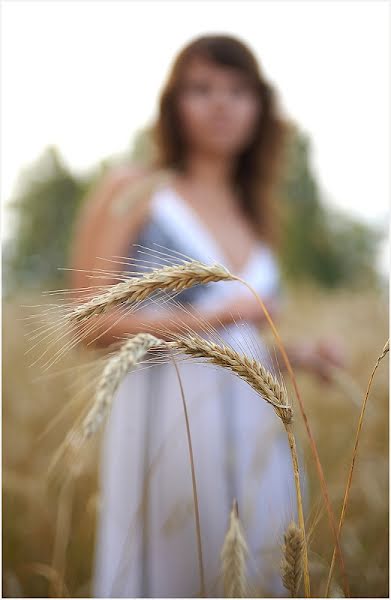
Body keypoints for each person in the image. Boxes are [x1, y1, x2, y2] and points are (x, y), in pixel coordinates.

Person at [69, 34, 342, 598]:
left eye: (239, 91)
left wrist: (298, 355)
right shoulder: (135, 190)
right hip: (163, 435)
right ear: (173, 103)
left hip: (260, 440)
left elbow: (244, 345)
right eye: (202, 88)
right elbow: (87, 322)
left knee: (254, 576)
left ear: (261, 107)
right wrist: (210, 319)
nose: (221, 104)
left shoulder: (255, 215)